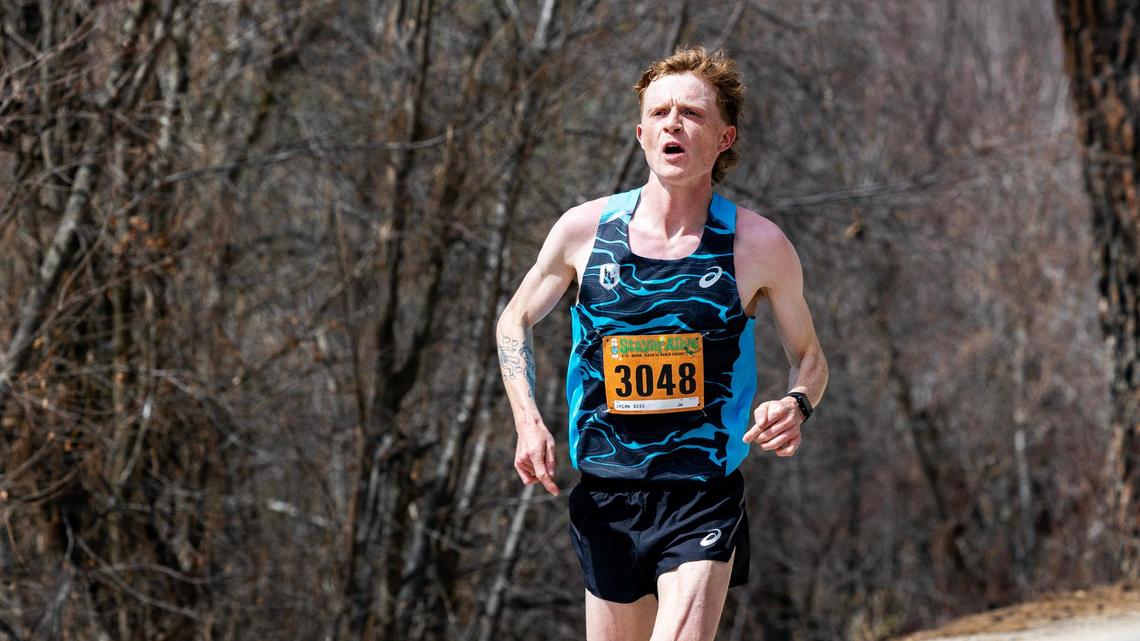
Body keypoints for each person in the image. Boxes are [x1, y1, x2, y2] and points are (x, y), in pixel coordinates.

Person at [496, 45, 828, 641]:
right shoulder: (583, 230)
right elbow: (513, 321)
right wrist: (527, 420)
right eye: (661, 112)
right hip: (607, 491)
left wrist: (796, 403)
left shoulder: (757, 245)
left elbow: (810, 356)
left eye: (692, 114)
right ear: (642, 132)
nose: (674, 123)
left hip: (702, 493)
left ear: (724, 138)